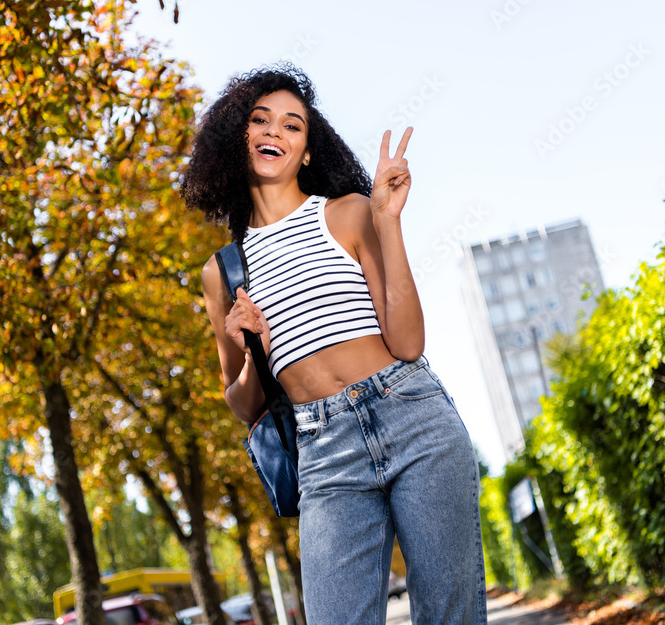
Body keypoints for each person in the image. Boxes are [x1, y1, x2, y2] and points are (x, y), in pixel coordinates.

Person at [182, 64, 488, 625]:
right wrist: (250, 349)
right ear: (237, 138)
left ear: (306, 152)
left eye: (293, 126)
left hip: (411, 415)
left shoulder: (346, 214)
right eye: (260, 120)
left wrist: (387, 222)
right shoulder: (221, 274)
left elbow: (409, 341)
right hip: (323, 451)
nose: (275, 131)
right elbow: (244, 405)